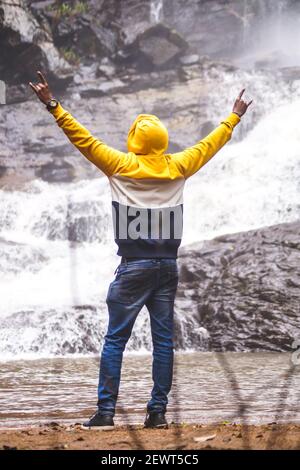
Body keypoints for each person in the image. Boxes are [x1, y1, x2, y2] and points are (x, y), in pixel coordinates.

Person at [29, 71, 252, 430]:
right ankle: (158, 413)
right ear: (162, 142)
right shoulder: (179, 165)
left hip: (133, 267)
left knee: (115, 339)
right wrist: (234, 116)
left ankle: (105, 413)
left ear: (134, 140)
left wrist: (53, 105)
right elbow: (210, 144)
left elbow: (82, 138)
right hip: (167, 267)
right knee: (164, 342)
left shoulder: (119, 165)